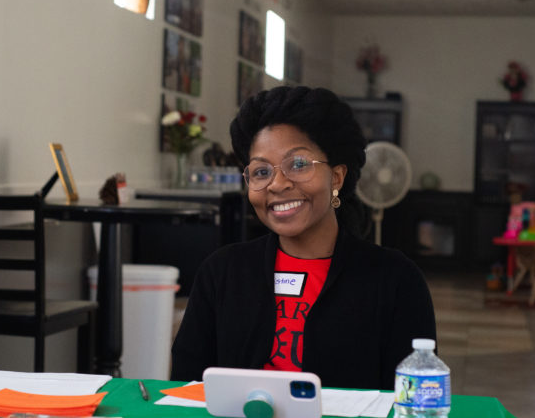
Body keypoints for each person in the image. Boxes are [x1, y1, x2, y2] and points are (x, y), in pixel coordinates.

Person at [171, 86, 436, 390]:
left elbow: (414, 401)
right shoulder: (222, 273)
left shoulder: (395, 280)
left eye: (298, 164)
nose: (277, 184)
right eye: (260, 172)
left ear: (337, 176)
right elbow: (186, 389)